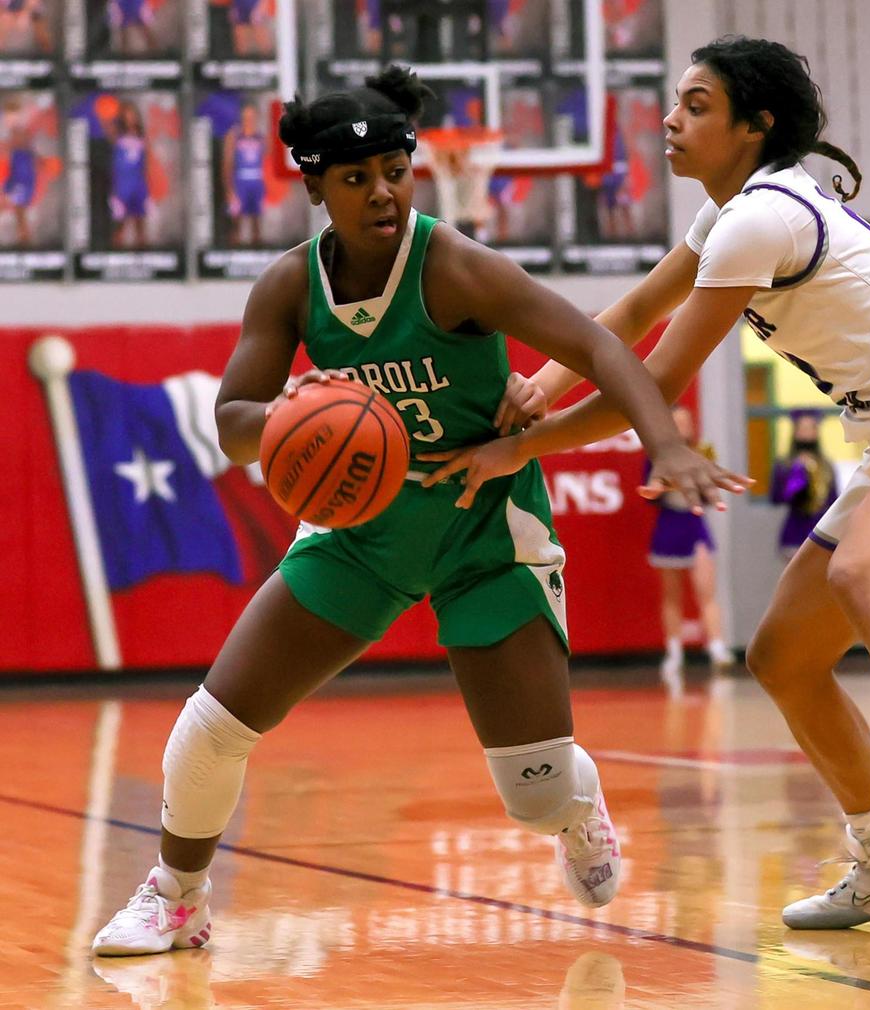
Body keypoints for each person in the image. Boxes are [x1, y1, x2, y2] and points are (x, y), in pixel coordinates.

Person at [91, 66, 745, 957]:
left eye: (396, 171)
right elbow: (233, 424)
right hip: (360, 538)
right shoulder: (289, 286)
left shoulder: (454, 267)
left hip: (485, 535)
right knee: (211, 728)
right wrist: (292, 414)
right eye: (356, 180)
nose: (383, 192)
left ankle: (575, 804)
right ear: (315, 186)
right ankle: (178, 897)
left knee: (534, 791)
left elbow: (595, 341)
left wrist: (665, 444)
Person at [420, 36, 870, 930]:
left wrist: (521, 449)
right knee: (784, 659)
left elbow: (658, 382)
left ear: (755, 126)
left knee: (862, 574)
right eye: (676, 102)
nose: (672, 120)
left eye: (697, 104)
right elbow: (635, 312)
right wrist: (540, 384)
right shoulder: (728, 217)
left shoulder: (763, 218)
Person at [647, 405, 733, 696]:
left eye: (685, 421)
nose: (681, 426)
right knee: (671, 594)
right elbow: (650, 489)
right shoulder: (657, 456)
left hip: (695, 526)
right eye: (675, 422)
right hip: (669, 526)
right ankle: (674, 653)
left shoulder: (701, 453)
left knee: (706, 590)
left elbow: (711, 491)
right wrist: (658, 487)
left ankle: (717, 648)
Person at [768, 408, 837, 561]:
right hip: (795, 529)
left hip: (821, 529)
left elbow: (834, 500)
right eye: (802, 428)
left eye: (811, 428)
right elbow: (777, 497)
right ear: (795, 431)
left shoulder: (826, 465)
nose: (806, 433)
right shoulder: (785, 464)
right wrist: (797, 475)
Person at [107, 100, 150, 249]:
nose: (130, 117)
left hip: (138, 184)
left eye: (133, 114)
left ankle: (144, 260)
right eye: (127, 114)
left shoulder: (141, 135)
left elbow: (145, 162)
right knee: (120, 226)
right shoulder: (116, 134)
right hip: (122, 185)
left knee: (140, 226)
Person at [224, 102, 265, 247]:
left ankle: (257, 258)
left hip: (257, 182)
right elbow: (227, 165)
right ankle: (233, 257)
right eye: (246, 117)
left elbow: (267, 161)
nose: (249, 120)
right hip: (239, 182)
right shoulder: (234, 136)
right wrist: (229, 190)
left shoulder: (260, 137)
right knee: (236, 225)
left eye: (251, 117)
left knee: (256, 225)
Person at [1, 119, 37, 246]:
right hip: (19, 183)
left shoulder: (24, 150)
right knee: (19, 212)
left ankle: (24, 239)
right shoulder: (19, 150)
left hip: (21, 185)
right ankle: (24, 238)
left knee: (19, 212)